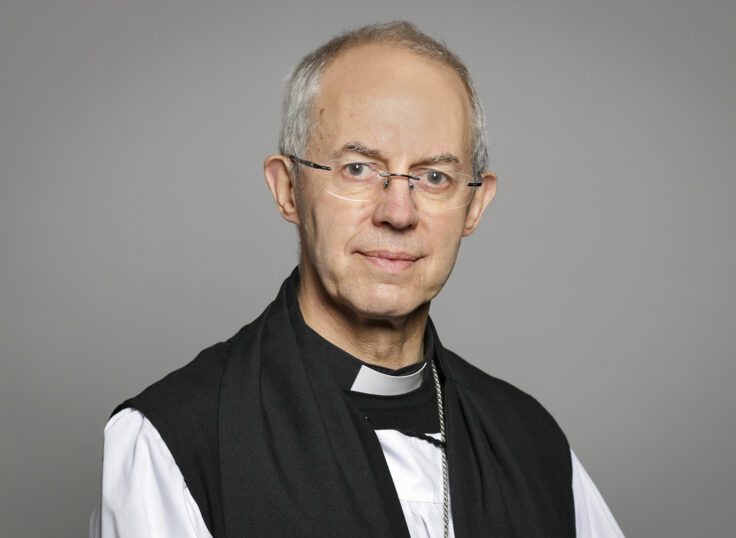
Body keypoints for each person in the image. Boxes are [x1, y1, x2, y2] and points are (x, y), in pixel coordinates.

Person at [89, 21, 624, 538]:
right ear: (288, 190)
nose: (397, 212)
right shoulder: (176, 442)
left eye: (433, 177)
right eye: (358, 169)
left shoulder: (534, 444)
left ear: (474, 205)